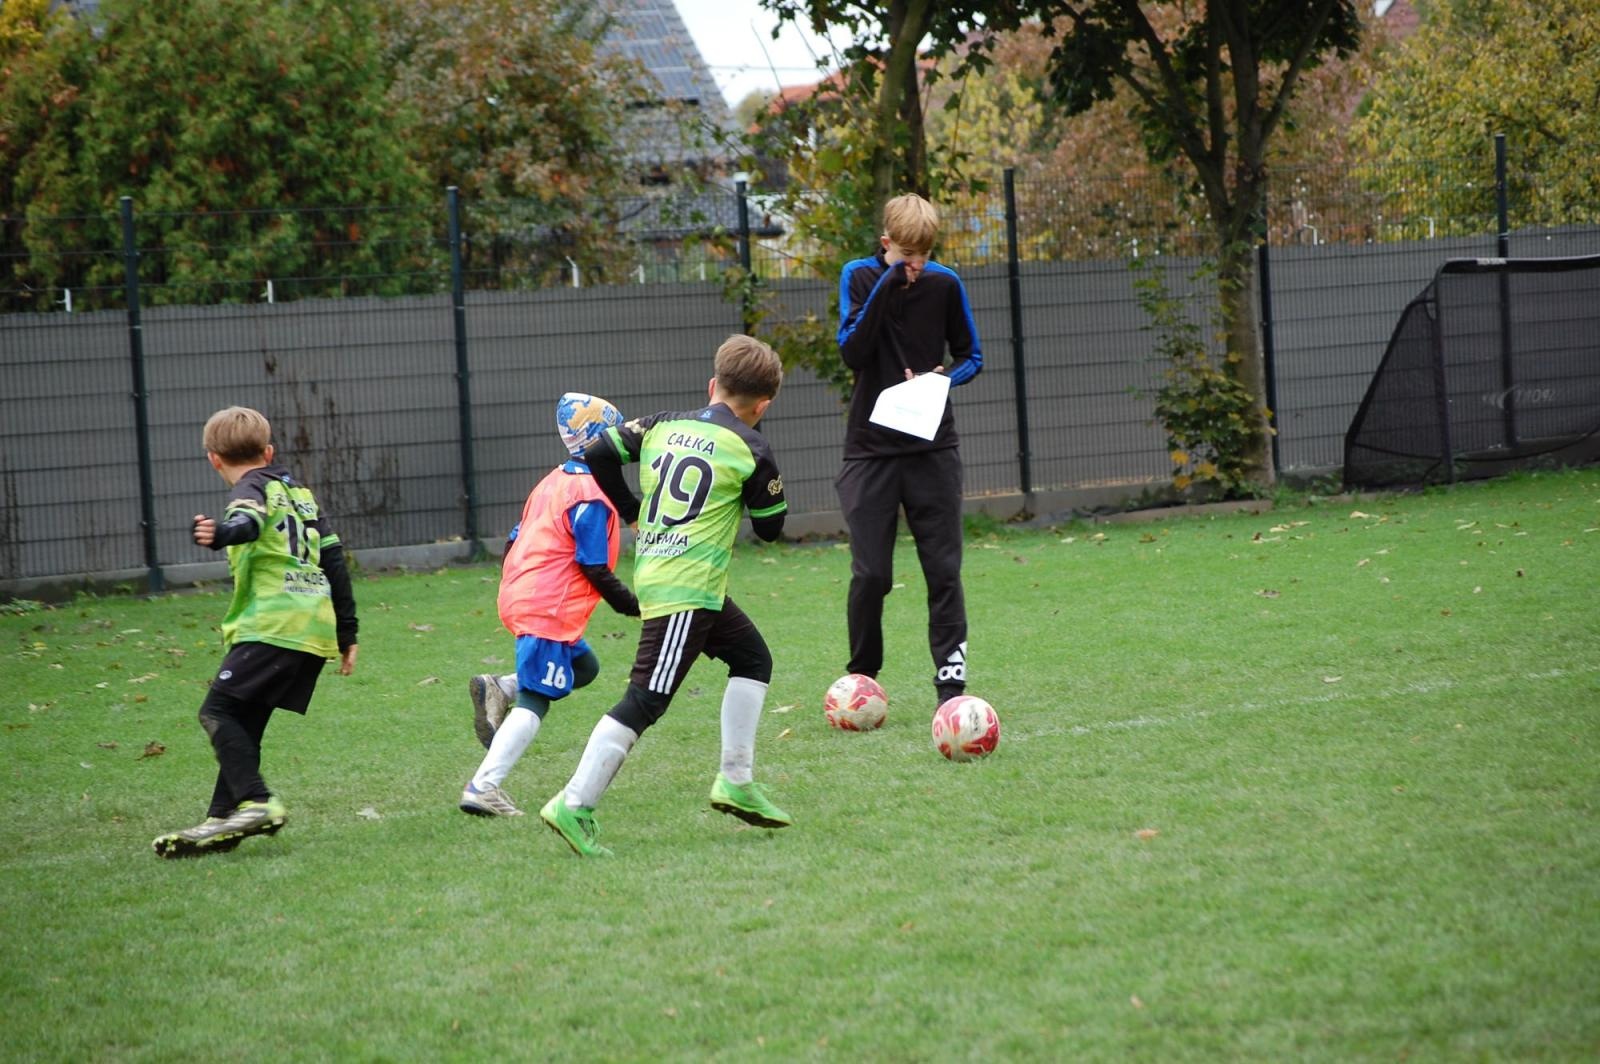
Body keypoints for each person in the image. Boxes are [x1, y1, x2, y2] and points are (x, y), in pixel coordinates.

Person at [539, 335, 791, 857]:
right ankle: (574, 802)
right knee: (646, 699)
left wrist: (633, 511)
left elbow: (599, 452)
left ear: (712, 384)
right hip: (687, 587)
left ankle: (736, 780)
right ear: (763, 406)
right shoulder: (752, 447)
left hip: (669, 574)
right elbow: (771, 528)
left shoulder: (661, 423)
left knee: (752, 659)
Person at [152, 406, 358, 858]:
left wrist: (221, 534)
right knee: (245, 723)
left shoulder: (250, 488)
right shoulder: (299, 493)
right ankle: (222, 817)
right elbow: (334, 559)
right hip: (312, 626)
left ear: (214, 459)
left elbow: (246, 522)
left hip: (273, 625)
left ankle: (258, 802)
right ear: (268, 451)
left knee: (218, 712)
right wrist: (348, 632)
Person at [835, 192, 983, 712]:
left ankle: (951, 688)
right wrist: (888, 282)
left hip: (932, 450)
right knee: (871, 573)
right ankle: (862, 678)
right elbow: (852, 350)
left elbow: (972, 356)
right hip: (869, 452)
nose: (916, 265)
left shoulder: (946, 284)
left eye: (923, 254)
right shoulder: (858, 276)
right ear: (886, 244)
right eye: (906, 254)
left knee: (943, 570)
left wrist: (940, 380)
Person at [458, 393, 639, 817]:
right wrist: (632, 605)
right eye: (616, 436)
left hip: (525, 594)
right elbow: (592, 566)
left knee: (586, 667)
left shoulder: (555, 479)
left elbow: (514, 536)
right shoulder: (592, 494)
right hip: (548, 608)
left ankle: (501, 686)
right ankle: (483, 786)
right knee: (538, 699)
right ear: (599, 440)